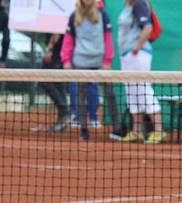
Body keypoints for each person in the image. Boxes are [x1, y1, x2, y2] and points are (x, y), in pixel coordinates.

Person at [61, 0, 122, 141]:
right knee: (81, 94)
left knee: (110, 93)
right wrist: (66, 60)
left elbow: (108, 39)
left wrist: (107, 61)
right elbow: (68, 39)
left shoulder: (103, 15)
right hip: (81, 61)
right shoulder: (73, 16)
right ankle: (83, 129)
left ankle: (117, 129)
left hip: (100, 62)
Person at [117, 0, 164, 144]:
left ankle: (158, 131)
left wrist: (136, 47)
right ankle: (136, 131)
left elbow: (148, 28)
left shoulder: (139, 4)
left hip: (138, 54)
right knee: (132, 92)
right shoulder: (128, 6)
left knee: (143, 90)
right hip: (126, 55)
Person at [40, 33, 71, 132]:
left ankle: (64, 113)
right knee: (57, 83)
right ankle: (63, 119)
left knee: (45, 81)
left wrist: (50, 49)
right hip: (58, 54)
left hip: (58, 55)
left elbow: (56, 32)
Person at [0, 1, 9, 69]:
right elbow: (6, 39)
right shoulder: (4, 15)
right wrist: (3, 60)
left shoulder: (3, 15)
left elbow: (6, 39)